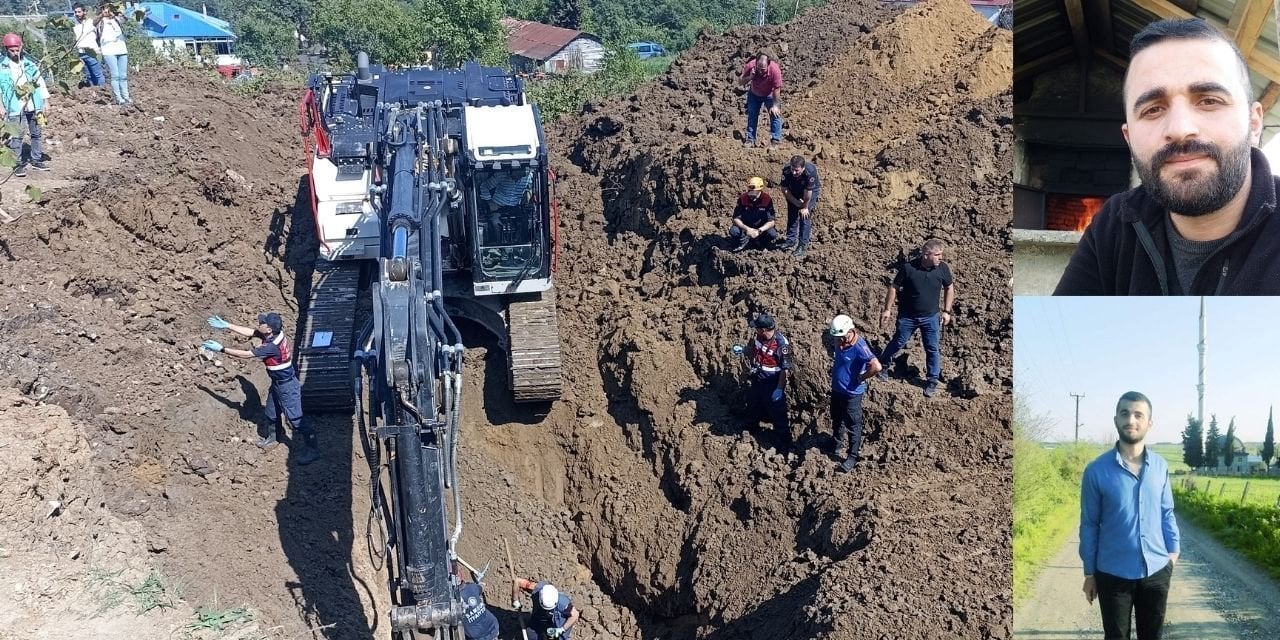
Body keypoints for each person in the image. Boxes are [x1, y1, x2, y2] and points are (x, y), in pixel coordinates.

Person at [1053, 18, 1280, 295]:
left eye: (1209, 100)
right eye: (1152, 109)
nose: (1180, 129)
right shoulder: (1117, 221)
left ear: (1254, 123)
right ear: (1129, 137)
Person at [1080, 391, 1179, 640]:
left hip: (1157, 569)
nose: (1131, 420)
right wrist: (1089, 573)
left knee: (1152, 636)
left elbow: (1167, 512)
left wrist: (1173, 554)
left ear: (1149, 423)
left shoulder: (1160, 467)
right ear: (1116, 420)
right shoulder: (1095, 471)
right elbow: (1090, 524)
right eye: (1125, 413)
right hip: (1112, 573)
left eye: (1138, 414)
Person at [202, 312, 320, 465]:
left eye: (262, 323)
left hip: (287, 386)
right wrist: (227, 325)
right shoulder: (274, 334)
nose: (259, 324)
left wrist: (222, 349)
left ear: (269, 329)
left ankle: (313, 449)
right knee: (271, 412)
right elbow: (252, 332)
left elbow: (246, 354)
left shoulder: (271, 346)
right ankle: (273, 437)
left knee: (296, 419)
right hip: (277, 383)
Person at [878, 239, 954, 398]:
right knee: (899, 341)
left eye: (941, 255)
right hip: (908, 316)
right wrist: (887, 310)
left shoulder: (942, 269)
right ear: (926, 255)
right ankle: (883, 365)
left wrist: (946, 311)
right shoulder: (908, 268)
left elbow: (949, 287)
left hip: (931, 317)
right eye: (938, 255)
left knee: (932, 347)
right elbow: (894, 287)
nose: (941, 258)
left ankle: (932, 380)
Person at [827, 315, 880, 472]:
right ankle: (836, 443)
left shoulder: (859, 346)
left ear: (850, 331)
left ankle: (852, 456)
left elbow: (876, 366)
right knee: (836, 417)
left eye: (840, 337)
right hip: (837, 389)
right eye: (836, 337)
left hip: (852, 393)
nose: (837, 340)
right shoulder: (840, 341)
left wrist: (862, 377)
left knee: (853, 424)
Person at [733, 312, 792, 450]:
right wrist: (744, 350)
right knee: (753, 404)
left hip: (772, 382)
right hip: (758, 377)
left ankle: (785, 443)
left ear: (764, 329)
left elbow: (785, 370)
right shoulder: (760, 336)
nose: (755, 330)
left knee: (778, 413)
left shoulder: (782, 345)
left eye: (757, 328)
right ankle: (751, 428)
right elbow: (755, 350)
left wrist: (779, 389)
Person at [0, 33, 50, 178]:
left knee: (36, 133)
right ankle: (18, 163)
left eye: (17, 50)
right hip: (14, 106)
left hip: (33, 104)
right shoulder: (2, 67)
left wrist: (46, 101)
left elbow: (40, 83)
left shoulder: (29, 64)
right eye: (12, 51)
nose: (15, 53)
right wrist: (1, 106)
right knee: (17, 135)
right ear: (6, 49)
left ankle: (36, 159)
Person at [737, 51, 783, 148]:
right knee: (752, 115)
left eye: (763, 69)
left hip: (769, 94)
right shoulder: (750, 66)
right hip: (754, 93)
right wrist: (750, 77)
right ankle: (750, 139)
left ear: (768, 64)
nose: (761, 71)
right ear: (756, 63)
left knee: (775, 115)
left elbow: (777, 88)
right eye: (759, 68)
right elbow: (740, 81)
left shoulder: (775, 70)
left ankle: (775, 140)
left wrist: (775, 106)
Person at [779, 155, 821, 257]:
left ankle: (802, 245)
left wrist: (804, 206)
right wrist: (794, 201)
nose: (794, 172)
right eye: (792, 169)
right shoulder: (787, 170)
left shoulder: (809, 173)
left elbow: (808, 192)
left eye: (797, 171)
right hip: (793, 188)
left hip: (809, 191)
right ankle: (791, 240)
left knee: (804, 216)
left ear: (803, 168)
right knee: (792, 213)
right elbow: (784, 189)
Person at [477, 169, 532, 245]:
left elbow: (532, 187)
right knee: (495, 223)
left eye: (521, 175)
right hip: (498, 206)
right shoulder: (501, 175)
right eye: (516, 174)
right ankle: (498, 247)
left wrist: (529, 193)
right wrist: (490, 202)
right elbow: (484, 186)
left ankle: (521, 246)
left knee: (525, 221)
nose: (518, 177)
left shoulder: (528, 177)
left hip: (515, 206)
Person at [513, 578, 579, 640]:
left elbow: (575, 614)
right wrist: (515, 600)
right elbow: (517, 581)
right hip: (540, 618)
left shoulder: (563, 603)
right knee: (530, 635)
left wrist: (562, 629)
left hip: (557, 624)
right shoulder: (536, 589)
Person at [727, 176, 780, 252]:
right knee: (734, 231)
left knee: (772, 233)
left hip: (760, 228)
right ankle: (743, 243)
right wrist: (747, 229)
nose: (752, 197)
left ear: (760, 190)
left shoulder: (766, 199)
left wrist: (759, 231)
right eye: (750, 193)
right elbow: (736, 218)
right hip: (746, 228)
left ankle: (762, 244)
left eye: (755, 194)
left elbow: (771, 221)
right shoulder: (743, 199)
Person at [95, 2, 132, 105]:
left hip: (121, 49)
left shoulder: (116, 19)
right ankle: (119, 98)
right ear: (102, 10)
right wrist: (102, 15)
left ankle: (126, 96)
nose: (107, 11)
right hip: (108, 50)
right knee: (115, 75)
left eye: (108, 9)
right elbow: (94, 22)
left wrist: (119, 12)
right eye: (105, 9)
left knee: (123, 75)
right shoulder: (100, 21)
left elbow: (125, 19)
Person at [458, 568, 500, 640]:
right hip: (492, 625)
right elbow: (481, 588)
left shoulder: (454, 599)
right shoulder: (472, 587)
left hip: (477, 636)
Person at [72, 4, 105, 87]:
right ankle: (93, 93)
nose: (77, 14)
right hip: (81, 54)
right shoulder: (74, 25)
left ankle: (104, 92)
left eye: (79, 12)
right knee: (89, 76)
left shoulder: (91, 22)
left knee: (98, 75)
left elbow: (98, 19)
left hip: (92, 52)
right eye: (75, 12)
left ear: (85, 12)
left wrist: (103, 13)